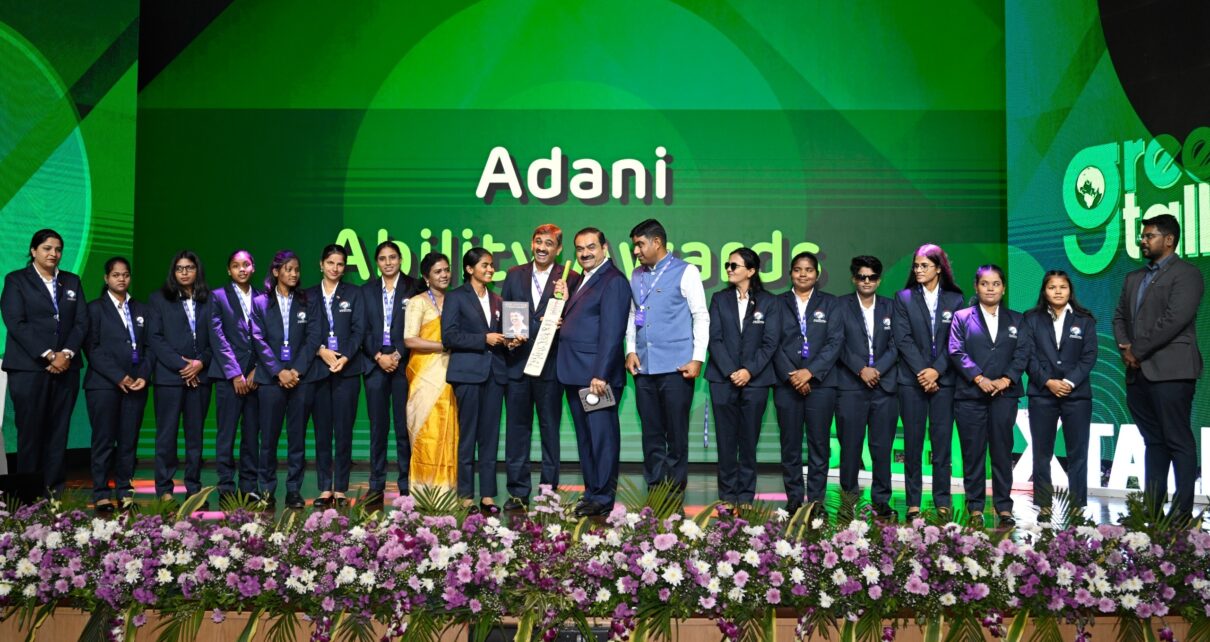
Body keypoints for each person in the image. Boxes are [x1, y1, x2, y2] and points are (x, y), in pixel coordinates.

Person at [1113, 214, 1204, 521]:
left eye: (1149, 236)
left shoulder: (1187, 274)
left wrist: (1137, 350)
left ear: (1169, 240)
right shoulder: (1133, 278)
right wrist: (1126, 348)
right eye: (1143, 236)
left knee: (1177, 440)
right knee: (1153, 441)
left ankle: (1182, 513)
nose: (1143, 240)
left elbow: (1174, 320)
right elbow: (1119, 317)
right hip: (1138, 373)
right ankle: (1152, 514)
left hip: (1172, 371)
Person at [0, 229, 88, 496]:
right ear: (33, 250)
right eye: (47, 248)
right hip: (29, 369)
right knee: (30, 434)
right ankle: (28, 500)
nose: (54, 254)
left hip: (66, 368)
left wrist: (66, 354)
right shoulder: (16, 280)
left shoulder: (71, 281)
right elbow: (15, 321)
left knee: (58, 433)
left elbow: (82, 322)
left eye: (58, 249)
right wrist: (49, 355)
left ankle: (54, 496)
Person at [625, 218, 709, 494]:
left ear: (657, 242)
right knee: (651, 434)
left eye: (640, 244)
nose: (636, 250)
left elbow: (700, 316)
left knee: (675, 434)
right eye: (634, 245)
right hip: (644, 367)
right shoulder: (636, 274)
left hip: (677, 368)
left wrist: (697, 358)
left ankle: (673, 493)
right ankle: (655, 490)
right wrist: (630, 349)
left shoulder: (686, 271)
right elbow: (632, 315)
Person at [500, 223, 579, 510]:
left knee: (549, 430)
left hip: (551, 366)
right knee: (516, 430)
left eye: (549, 243)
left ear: (559, 249)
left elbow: (577, 319)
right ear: (531, 244)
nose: (542, 248)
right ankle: (518, 492)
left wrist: (563, 319)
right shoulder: (514, 274)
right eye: (538, 242)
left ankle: (548, 493)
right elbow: (506, 315)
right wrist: (509, 338)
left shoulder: (570, 278)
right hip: (518, 364)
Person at [948, 265, 1031, 528]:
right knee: (973, 453)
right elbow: (956, 351)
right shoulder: (962, 317)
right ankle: (974, 507)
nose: (990, 288)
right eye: (985, 284)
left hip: (1005, 395)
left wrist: (1006, 379)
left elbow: (1023, 353)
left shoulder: (1017, 319)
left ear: (1003, 288)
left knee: (1002, 452)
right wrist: (979, 378)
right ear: (976, 287)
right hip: (970, 395)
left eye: (996, 284)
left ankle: (1004, 507)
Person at [557, 227, 631, 517]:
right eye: (580, 248)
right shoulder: (581, 279)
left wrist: (601, 374)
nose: (585, 253)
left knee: (602, 438)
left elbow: (612, 333)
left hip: (596, 378)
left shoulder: (613, 281)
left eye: (591, 247)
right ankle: (591, 493)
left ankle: (603, 497)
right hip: (574, 373)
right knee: (586, 439)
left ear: (604, 248)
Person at [892, 243, 965, 521]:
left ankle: (942, 501)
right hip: (912, 381)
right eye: (916, 266)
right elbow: (903, 339)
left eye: (924, 265)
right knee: (912, 443)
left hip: (944, 382)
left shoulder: (955, 299)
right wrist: (924, 372)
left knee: (942, 444)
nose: (918, 270)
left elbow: (956, 341)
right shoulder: (904, 298)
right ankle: (913, 502)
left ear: (939, 268)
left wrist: (937, 372)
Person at [705, 248, 779, 510]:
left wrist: (748, 370)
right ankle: (726, 497)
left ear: (751, 271)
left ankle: (746, 497)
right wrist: (731, 371)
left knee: (748, 441)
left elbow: (770, 343)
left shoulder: (768, 302)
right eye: (727, 264)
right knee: (726, 442)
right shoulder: (719, 299)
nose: (729, 269)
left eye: (734, 265)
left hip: (755, 381)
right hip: (722, 380)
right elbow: (714, 338)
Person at [773, 251, 843, 517]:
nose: (803, 274)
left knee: (819, 444)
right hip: (787, 384)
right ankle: (793, 499)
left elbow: (835, 342)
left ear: (817, 274)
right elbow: (772, 342)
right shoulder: (777, 302)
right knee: (790, 444)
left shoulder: (831, 303)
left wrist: (810, 372)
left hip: (821, 385)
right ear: (791, 273)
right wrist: (793, 375)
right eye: (797, 269)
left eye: (808, 270)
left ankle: (815, 502)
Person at [442, 247, 512, 514]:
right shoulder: (456, 297)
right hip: (468, 374)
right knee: (468, 436)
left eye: (492, 265)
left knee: (490, 437)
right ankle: (466, 496)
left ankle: (488, 495)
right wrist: (483, 339)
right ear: (470, 269)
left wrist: (511, 341)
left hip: (495, 374)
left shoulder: (497, 299)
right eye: (485, 265)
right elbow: (449, 337)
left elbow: (501, 336)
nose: (490, 269)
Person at [1025, 270, 1098, 516]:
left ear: (1070, 290)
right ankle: (1044, 504)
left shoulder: (1085, 320)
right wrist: (1048, 382)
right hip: (1042, 393)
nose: (1058, 291)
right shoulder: (1031, 319)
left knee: (1078, 453)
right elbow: (1028, 355)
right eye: (1052, 287)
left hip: (1076, 395)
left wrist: (1068, 382)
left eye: (1063, 287)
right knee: (1041, 452)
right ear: (1044, 291)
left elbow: (1089, 356)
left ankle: (1077, 506)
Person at [252, 250, 319, 510]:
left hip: (300, 379)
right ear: (276, 271)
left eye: (296, 270)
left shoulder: (306, 301)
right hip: (271, 380)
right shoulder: (260, 302)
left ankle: (293, 490)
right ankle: (267, 490)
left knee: (297, 438)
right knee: (268, 439)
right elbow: (258, 339)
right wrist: (278, 371)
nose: (293, 274)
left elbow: (313, 338)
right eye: (288, 269)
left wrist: (296, 371)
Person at [147, 250, 213, 504]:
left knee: (195, 437)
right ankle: (164, 489)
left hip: (200, 377)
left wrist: (200, 363)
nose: (184, 272)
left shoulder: (209, 300)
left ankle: (194, 489)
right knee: (167, 435)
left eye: (189, 268)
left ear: (198, 271)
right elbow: (155, 338)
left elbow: (216, 338)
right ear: (173, 272)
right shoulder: (158, 299)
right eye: (179, 268)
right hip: (169, 378)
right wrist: (183, 366)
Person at [83, 257, 148, 512]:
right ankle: (101, 492)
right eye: (116, 275)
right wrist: (119, 376)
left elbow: (149, 347)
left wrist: (143, 375)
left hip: (136, 385)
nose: (121, 279)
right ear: (106, 278)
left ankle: (125, 491)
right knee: (104, 440)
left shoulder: (141, 309)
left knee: (129, 441)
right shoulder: (94, 309)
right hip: (103, 385)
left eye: (125, 274)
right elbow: (92, 348)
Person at [834, 256, 898, 519]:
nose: (867, 281)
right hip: (851, 386)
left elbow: (897, 344)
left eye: (872, 277)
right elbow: (837, 343)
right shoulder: (840, 306)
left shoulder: (892, 307)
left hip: (884, 387)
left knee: (882, 449)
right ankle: (849, 500)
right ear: (854, 279)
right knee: (850, 448)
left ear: (879, 280)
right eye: (862, 277)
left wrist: (877, 369)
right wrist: (861, 369)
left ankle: (881, 500)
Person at [304, 244, 366, 508]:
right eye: (330, 263)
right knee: (321, 430)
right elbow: (303, 331)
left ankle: (340, 487)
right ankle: (324, 487)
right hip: (318, 370)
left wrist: (345, 357)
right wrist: (321, 351)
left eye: (340, 264)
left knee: (343, 430)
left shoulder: (354, 293)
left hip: (347, 370)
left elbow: (359, 330)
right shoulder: (307, 295)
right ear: (321, 264)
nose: (335, 268)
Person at [362, 240, 421, 508]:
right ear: (377, 262)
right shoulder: (366, 291)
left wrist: (396, 356)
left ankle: (406, 484)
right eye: (383, 258)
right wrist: (378, 356)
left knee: (402, 426)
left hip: (402, 365)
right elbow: (361, 329)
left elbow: (419, 326)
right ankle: (376, 485)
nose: (388, 262)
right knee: (378, 427)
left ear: (400, 260)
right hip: (374, 364)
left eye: (393, 257)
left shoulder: (415, 287)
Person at [208, 250, 266, 503]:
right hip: (228, 378)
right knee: (227, 433)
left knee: (252, 435)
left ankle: (248, 485)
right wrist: (235, 374)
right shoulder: (218, 296)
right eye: (235, 265)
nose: (241, 269)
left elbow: (267, 338)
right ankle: (225, 485)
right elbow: (217, 337)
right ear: (228, 270)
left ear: (253, 267)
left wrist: (257, 371)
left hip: (255, 378)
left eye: (246, 264)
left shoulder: (263, 298)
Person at [403, 252, 458, 492]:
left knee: (449, 432)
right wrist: (444, 345)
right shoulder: (418, 302)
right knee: (427, 431)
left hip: (453, 374)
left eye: (446, 270)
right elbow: (409, 339)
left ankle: (447, 491)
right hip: (425, 376)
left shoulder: (456, 300)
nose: (444, 275)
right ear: (426, 277)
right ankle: (424, 491)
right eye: (438, 271)